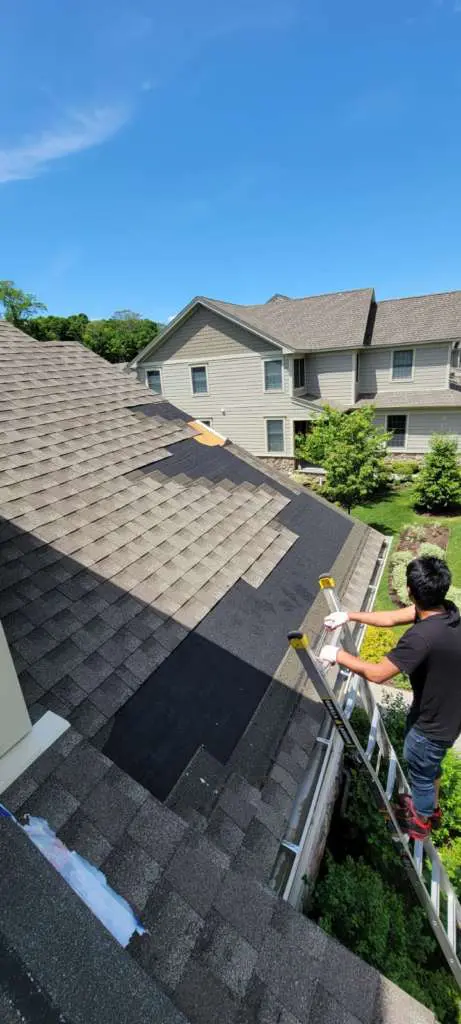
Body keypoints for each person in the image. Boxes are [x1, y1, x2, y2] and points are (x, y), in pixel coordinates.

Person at [320, 556, 461, 840]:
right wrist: (349, 615)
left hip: (430, 726)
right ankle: (430, 808)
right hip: (449, 714)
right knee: (429, 768)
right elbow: (391, 618)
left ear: (410, 590)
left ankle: (421, 821)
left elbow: (377, 674)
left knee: (419, 765)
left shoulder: (421, 637)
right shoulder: (446, 612)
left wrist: (337, 655)